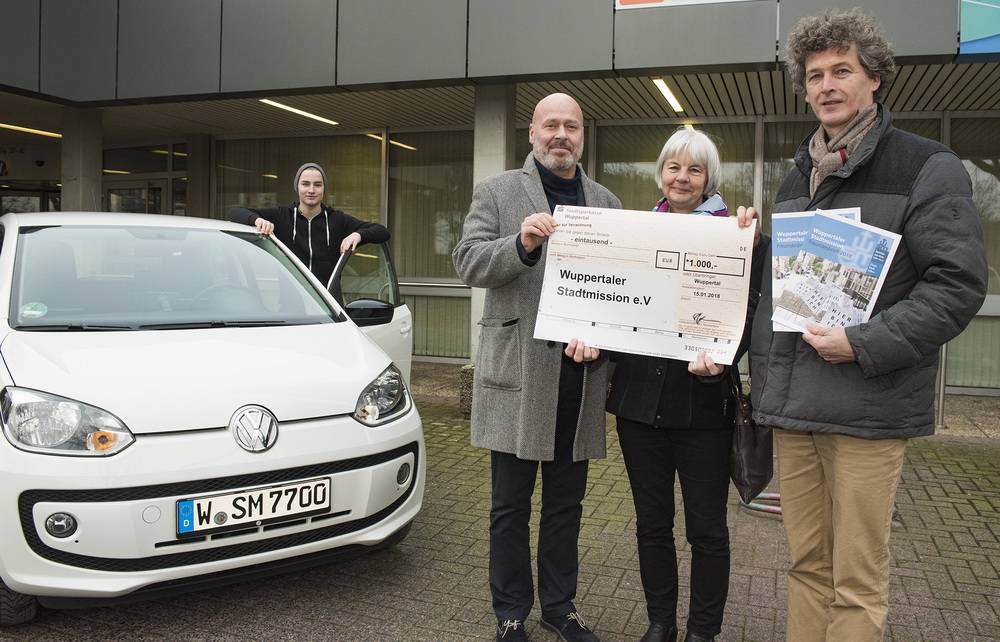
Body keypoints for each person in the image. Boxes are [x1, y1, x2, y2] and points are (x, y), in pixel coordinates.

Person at [746, 10, 988, 641]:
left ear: (874, 78)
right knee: (804, 565)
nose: (826, 85)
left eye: (842, 71)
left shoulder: (926, 166)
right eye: (815, 75)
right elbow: (791, 288)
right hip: (797, 410)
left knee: (856, 581)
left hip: (868, 409)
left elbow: (956, 286)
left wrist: (861, 341)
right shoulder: (800, 174)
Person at [452, 93, 622, 642]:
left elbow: (621, 291)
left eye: (571, 126)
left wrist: (602, 337)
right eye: (551, 125)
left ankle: (560, 606)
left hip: (579, 377)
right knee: (509, 506)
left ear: (582, 134)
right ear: (532, 133)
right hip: (519, 376)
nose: (561, 135)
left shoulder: (606, 202)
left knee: (566, 507)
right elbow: (467, 262)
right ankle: (509, 613)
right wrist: (520, 243)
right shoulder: (499, 191)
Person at [606, 128, 767, 642]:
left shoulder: (738, 236)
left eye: (694, 170)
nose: (682, 177)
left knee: (707, 530)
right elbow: (608, 303)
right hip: (639, 408)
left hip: (703, 408)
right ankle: (660, 624)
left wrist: (725, 358)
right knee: (651, 524)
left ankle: (703, 631)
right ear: (660, 174)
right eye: (674, 167)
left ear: (708, 180)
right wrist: (586, 336)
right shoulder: (633, 233)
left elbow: (748, 315)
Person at [229, 162, 389, 285]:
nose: (311, 190)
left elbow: (382, 232)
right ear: (297, 187)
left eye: (317, 185)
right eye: (305, 184)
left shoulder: (337, 220)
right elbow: (235, 212)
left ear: (324, 189)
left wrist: (358, 234)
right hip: (291, 310)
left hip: (330, 310)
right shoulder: (281, 216)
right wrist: (257, 220)